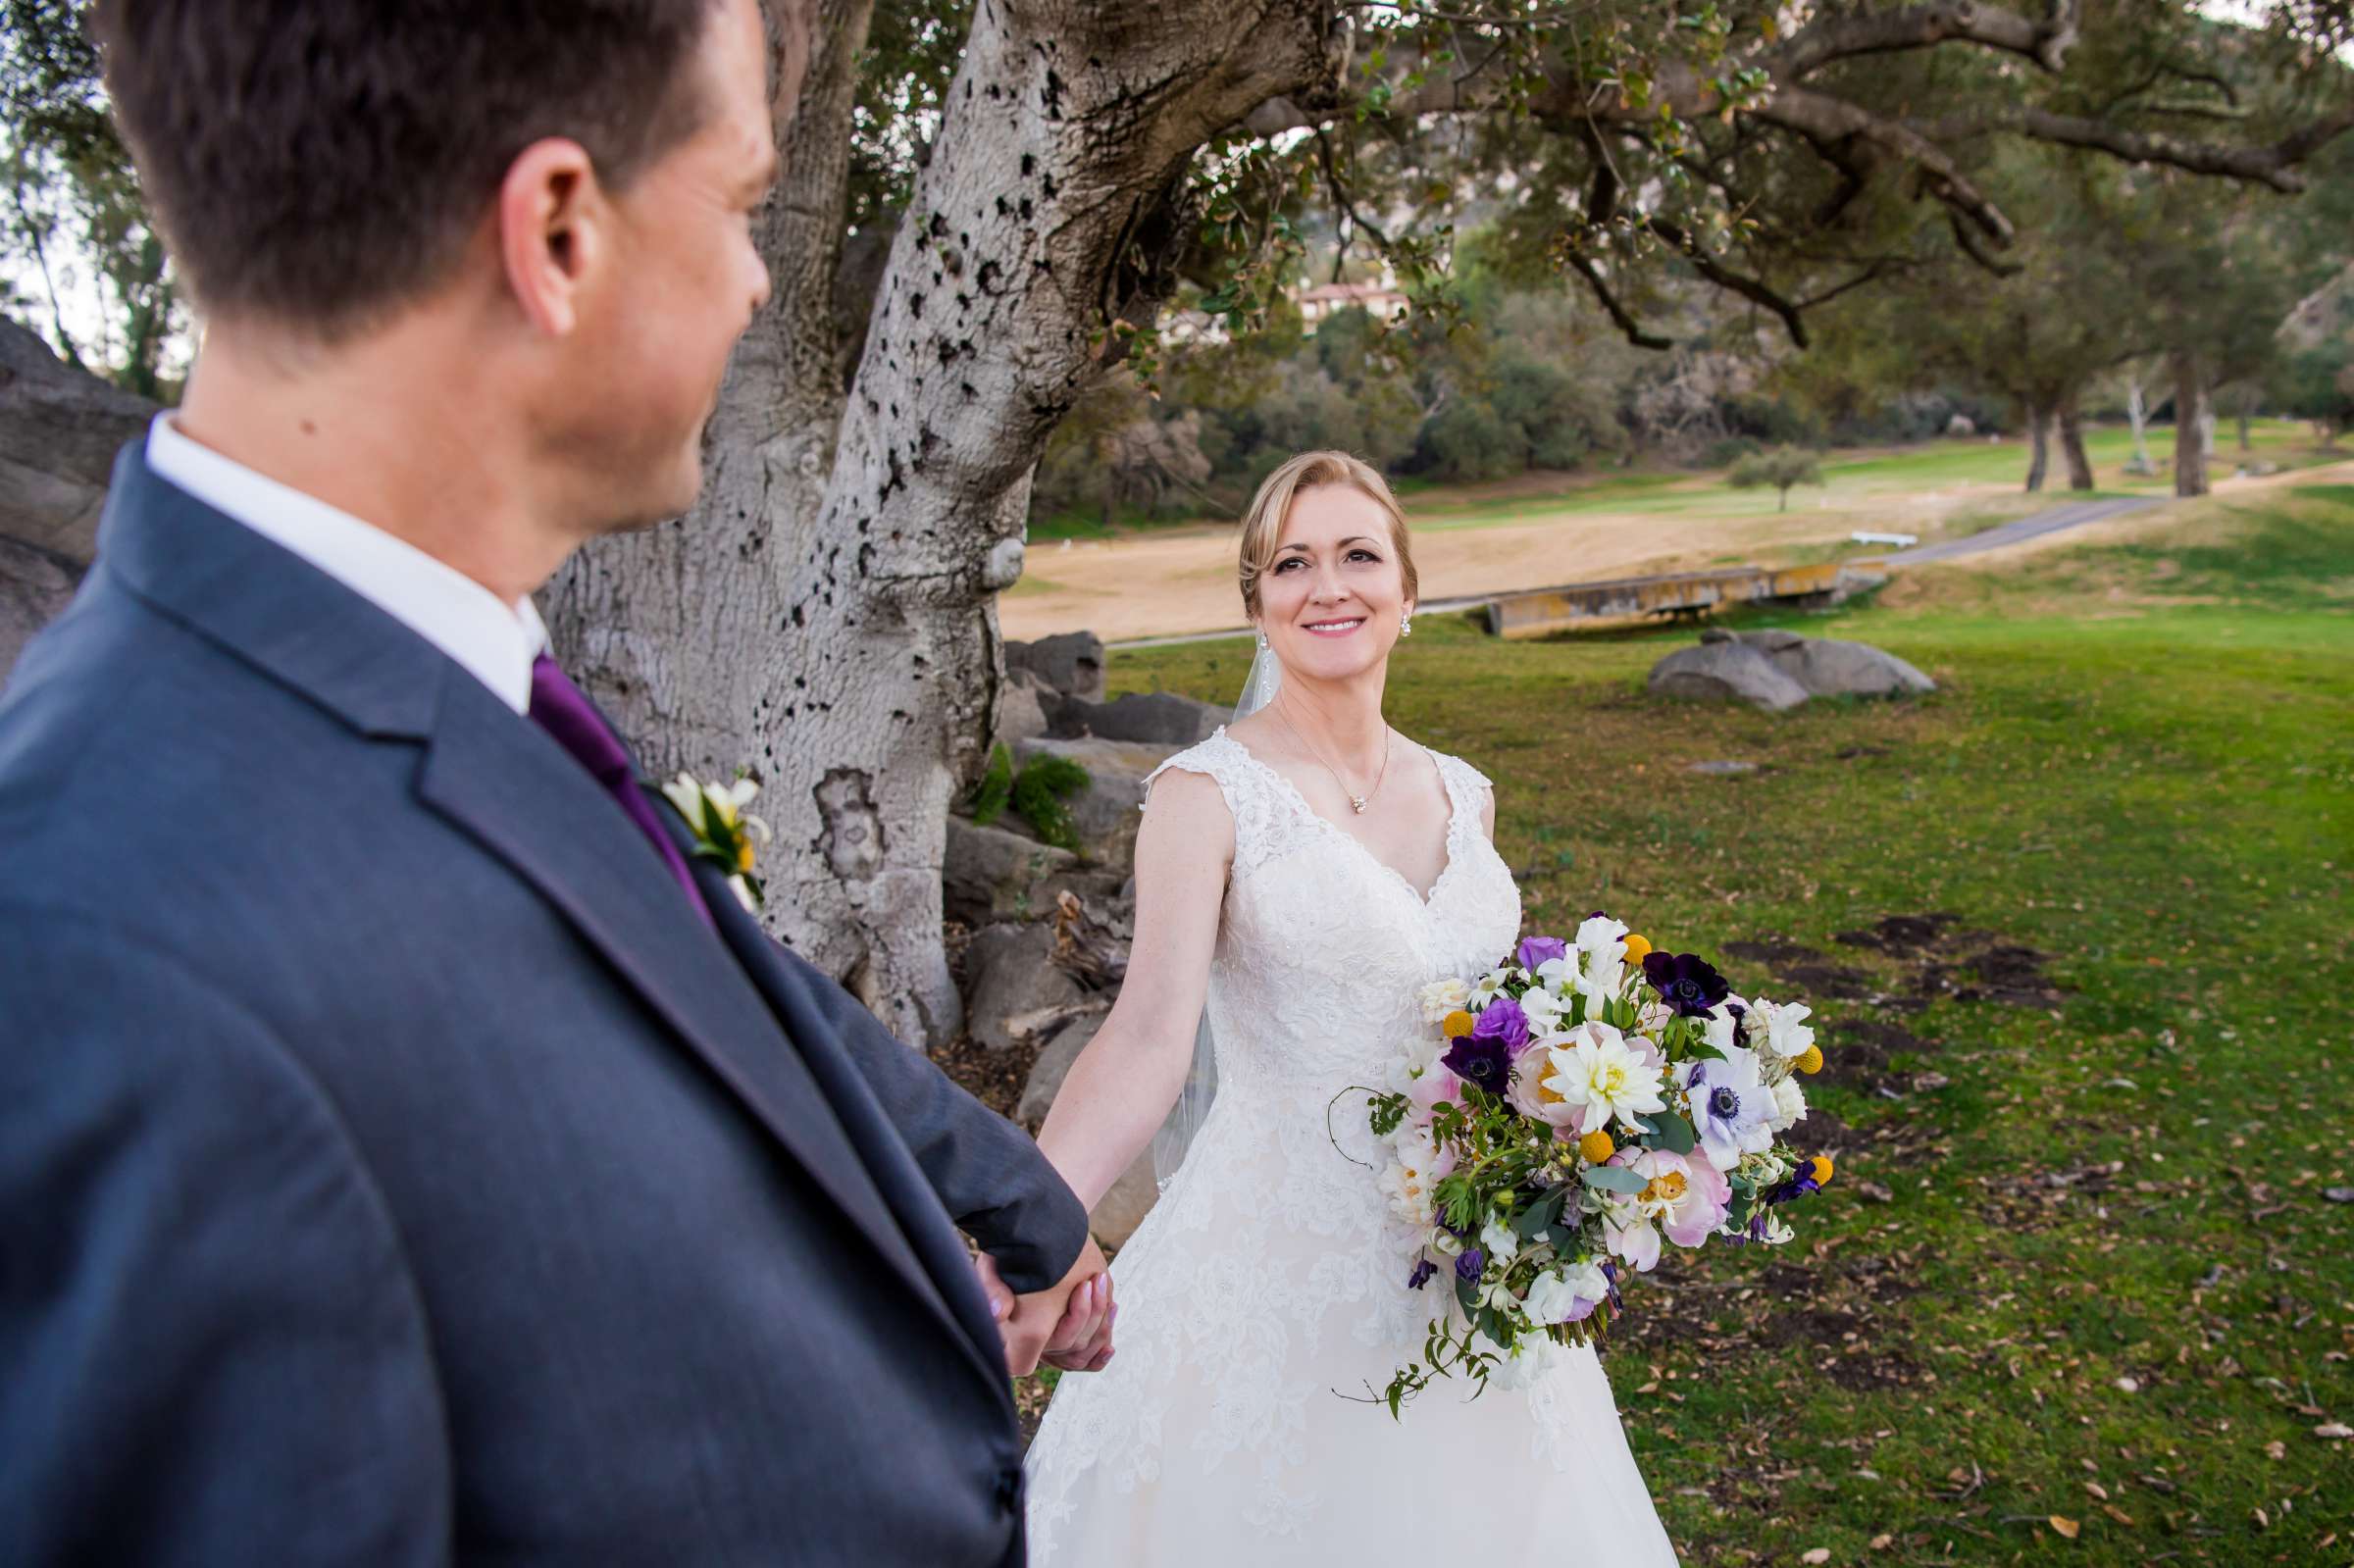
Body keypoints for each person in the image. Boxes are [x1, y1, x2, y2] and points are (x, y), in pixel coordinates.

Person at [0, 2, 1110, 1562]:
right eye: (736, 205)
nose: (754, 279)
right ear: (561, 235)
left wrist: (960, 1273)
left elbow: (700, 1002)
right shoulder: (99, 950)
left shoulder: (425, 679)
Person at [1019, 450, 1681, 1562]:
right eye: (1292, 563)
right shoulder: (1205, 796)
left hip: (1467, 1257)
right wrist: (1034, 1223)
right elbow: (1145, 1039)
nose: (1328, 587)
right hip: (1272, 1261)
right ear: (1259, 608)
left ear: (1408, 594)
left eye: (1358, 556)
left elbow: (1486, 1027)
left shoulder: (1465, 793)